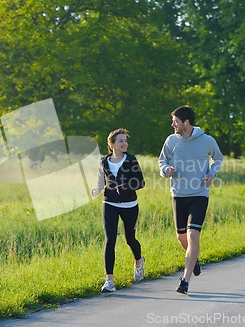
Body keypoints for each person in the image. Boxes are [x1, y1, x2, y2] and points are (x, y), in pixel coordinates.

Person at [158, 105, 223, 294]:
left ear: (186, 122)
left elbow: (217, 158)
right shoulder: (171, 141)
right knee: (181, 237)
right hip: (179, 194)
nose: (173, 124)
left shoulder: (206, 140)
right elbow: (162, 161)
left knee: (193, 235)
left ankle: (185, 281)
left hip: (199, 194)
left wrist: (211, 173)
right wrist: (166, 170)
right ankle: (193, 259)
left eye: (175, 121)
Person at [91, 128, 146, 292]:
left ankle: (139, 261)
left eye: (125, 141)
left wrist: (126, 187)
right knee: (110, 240)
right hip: (109, 204)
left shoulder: (131, 160)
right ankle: (109, 281)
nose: (125, 143)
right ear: (111, 144)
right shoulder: (103, 161)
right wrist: (97, 189)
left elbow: (141, 183)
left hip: (129, 205)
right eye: (121, 141)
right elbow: (102, 181)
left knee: (130, 239)